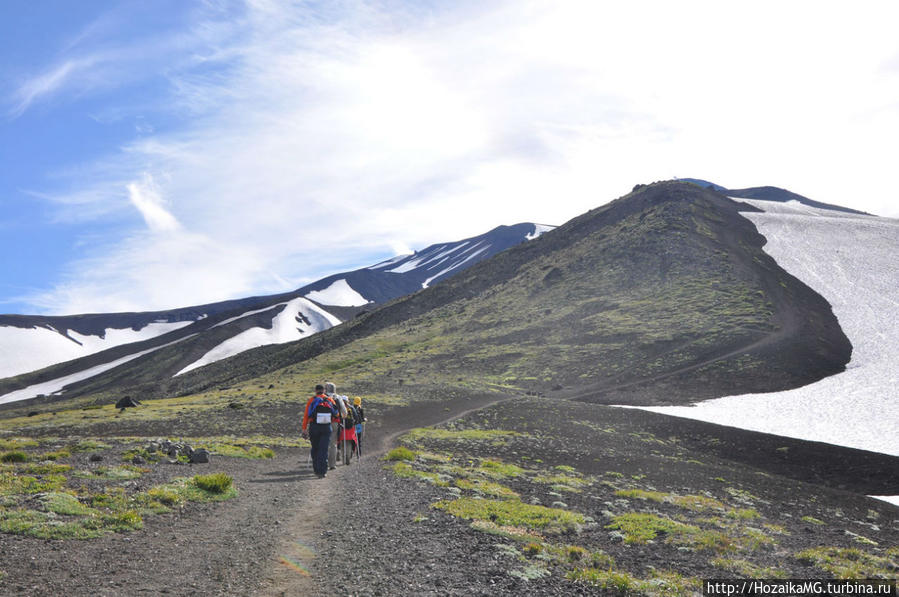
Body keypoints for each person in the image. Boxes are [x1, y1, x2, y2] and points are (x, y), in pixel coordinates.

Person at [302, 384, 337, 478]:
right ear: (324, 390)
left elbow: (306, 415)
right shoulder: (329, 399)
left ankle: (316, 469)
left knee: (315, 448)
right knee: (324, 449)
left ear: (315, 390)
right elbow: (336, 414)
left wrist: (304, 429)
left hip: (314, 427)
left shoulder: (312, 400)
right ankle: (323, 471)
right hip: (326, 427)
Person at [324, 382, 347, 470]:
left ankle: (323, 462)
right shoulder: (338, 398)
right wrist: (342, 417)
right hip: (334, 422)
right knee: (333, 443)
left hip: (323, 422)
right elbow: (344, 412)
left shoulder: (322, 397)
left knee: (324, 442)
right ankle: (332, 464)